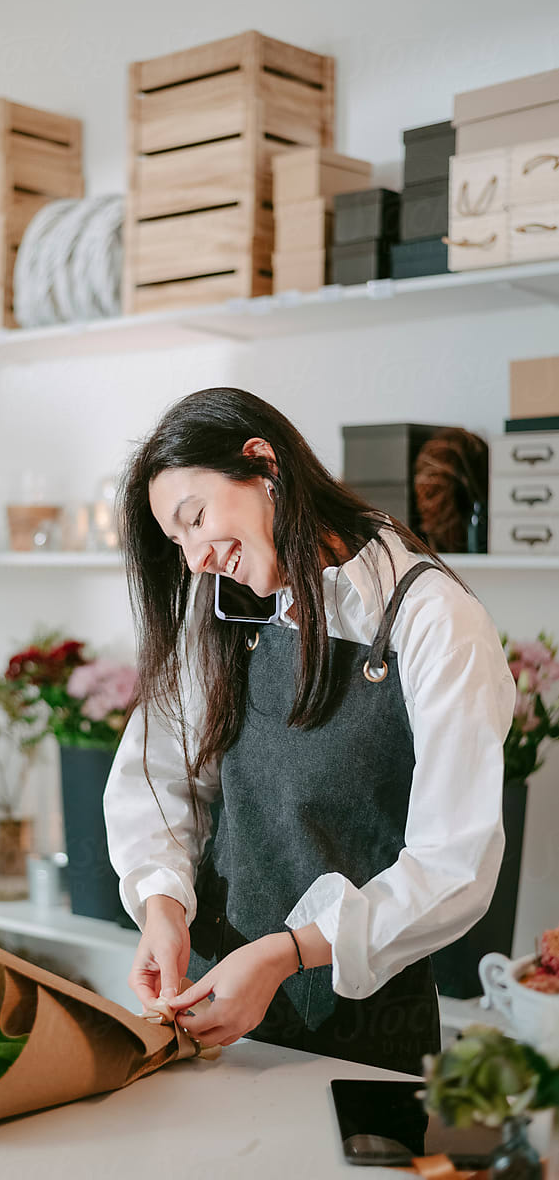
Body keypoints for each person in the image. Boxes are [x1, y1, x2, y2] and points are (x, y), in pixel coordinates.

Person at [103, 387, 515, 1076]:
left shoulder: (432, 620)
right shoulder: (221, 612)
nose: (196, 558)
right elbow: (158, 776)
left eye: (195, 518)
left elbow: (454, 864)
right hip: (208, 1014)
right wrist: (162, 906)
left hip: (359, 1037)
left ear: (263, 464)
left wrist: (285, 954)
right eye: (177, 543)